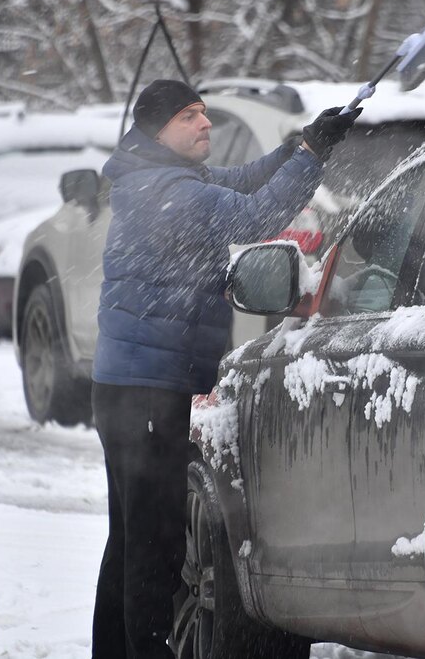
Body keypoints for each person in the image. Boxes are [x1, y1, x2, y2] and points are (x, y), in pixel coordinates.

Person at [90, 79, 359, 659]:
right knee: (154, 544)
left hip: (126, 387)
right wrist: (311, 160)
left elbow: (238, 183)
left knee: (130, 538)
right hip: (146, 394)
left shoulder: (159, 179)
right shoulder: (174, 193)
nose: (205, 123)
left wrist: (295, 149)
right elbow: (253, 215)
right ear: (159, 129)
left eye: (204, 113)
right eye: (190, 116)